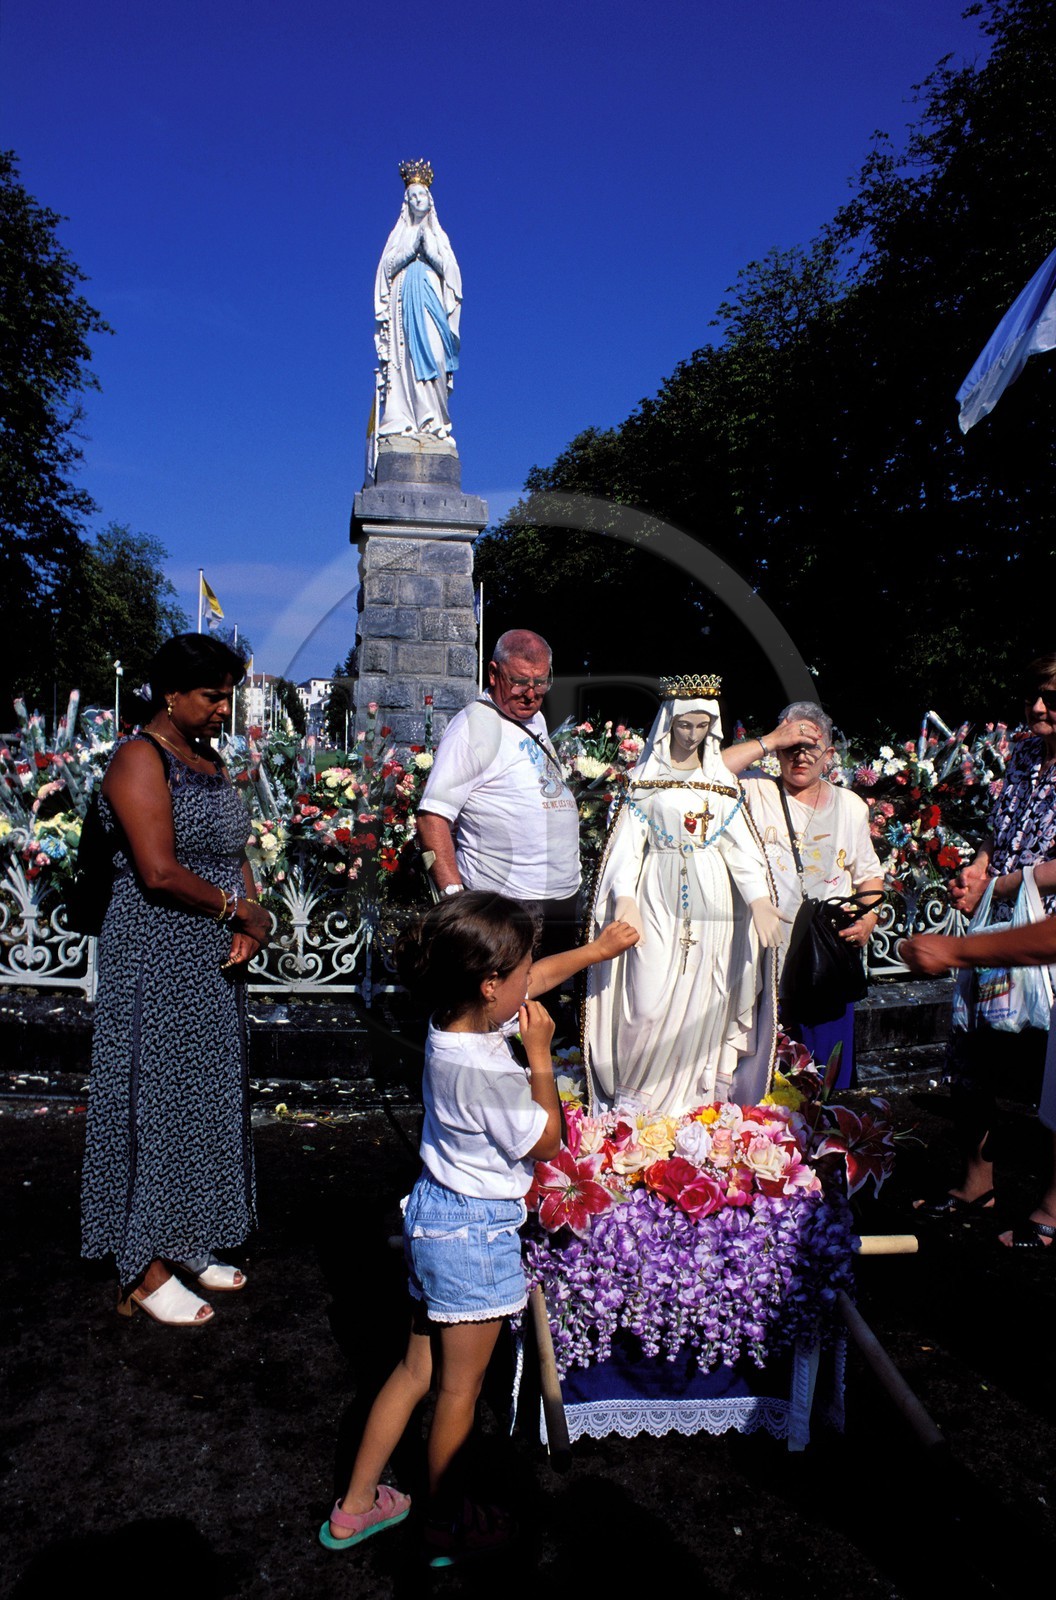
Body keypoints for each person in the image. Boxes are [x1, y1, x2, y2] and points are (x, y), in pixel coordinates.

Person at [318, 892, 637, 1565]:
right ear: (491, 984)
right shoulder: (492, 1068)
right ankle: (446, 1523)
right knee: (458, 1394)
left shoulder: (448, 1021)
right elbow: (546, 1143)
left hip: (433, 1215)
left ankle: (354, 1507)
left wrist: (597, 951)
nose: (532, 979)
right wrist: (542, 1055)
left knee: (412, 1372)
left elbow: (532, 981)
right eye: (522, 970)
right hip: (477, 1233)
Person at [80, 634, 271, 1327]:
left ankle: (186, 1235)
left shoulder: (208, 760)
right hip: (155, 950)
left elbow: (233, 851)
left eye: (229, 695)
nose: (225, 708)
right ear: (170, 695)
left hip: (211, 955)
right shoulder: (140, 757)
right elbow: (157, 870)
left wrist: (251, 917)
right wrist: (235, 908)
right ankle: (142, 1266)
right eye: (212, 696)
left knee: (202, 1094)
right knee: (151, 1097)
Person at [584, 675, 785, 1119]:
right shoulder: (645, 781)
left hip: (714, 904)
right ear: (668, 724)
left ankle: (694, 1107)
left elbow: (741, 850)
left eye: (701, 726)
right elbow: (625, 849)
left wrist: (758, 901)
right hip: (655, 895)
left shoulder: (721, 783)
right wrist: (623, 898)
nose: (692, 735)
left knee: (705, 998)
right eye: (684, 725)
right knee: (647, 998)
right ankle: (639, 1107)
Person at [912, 655, 1056, 1219]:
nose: (1039, 707)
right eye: (1034, 695)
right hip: (997, 919)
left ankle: (1050, 1207)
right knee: (972, 1051)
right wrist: (977, 873)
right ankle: (977, 1184)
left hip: (1045, 932)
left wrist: (1005, 884)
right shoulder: (1023, 752)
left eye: (1052, 696)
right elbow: (999, 835)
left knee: (1050, 1065)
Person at [740, 701, 884, 1090]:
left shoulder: (850, 807)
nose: (800, 757)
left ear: (830, 756)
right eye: (792, 748)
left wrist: (867, 919)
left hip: (825, 959)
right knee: (767, 1081)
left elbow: (870, 876)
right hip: (765, 957)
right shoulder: (756, 790)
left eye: (811, 748)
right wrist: (772, 740)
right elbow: (709, 771)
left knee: (823, 1079)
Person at [416, 629, 582, 959]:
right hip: (506, 905)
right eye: (520, 681)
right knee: (502, 1004)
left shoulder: (534, 719)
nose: (531, 694)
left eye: (541, 681)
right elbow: (431, 818)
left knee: (546, 1004)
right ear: (493, 673)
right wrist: (455, 899)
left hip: (559, 900)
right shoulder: (472, 727)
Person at [903, 914, 1056, 1248]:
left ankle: (1052, 1209)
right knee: (972, 1061)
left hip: (1034, 928)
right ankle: (977, 1186)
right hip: (1004, 926)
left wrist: (958, 950)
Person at [374, 160, 462, 440]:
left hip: (431, 300)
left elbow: (453, 277)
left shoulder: (439, 236)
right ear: (406, 202)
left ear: (429, 199)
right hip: (404, 303)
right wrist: (412, 248)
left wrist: (430, 252)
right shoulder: (400, 235)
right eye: (411, 196)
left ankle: (435, 423)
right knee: (407, 363)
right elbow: (385, 270)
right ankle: (407, 421)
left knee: (436, 356)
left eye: (420, 194)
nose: (416, 199)